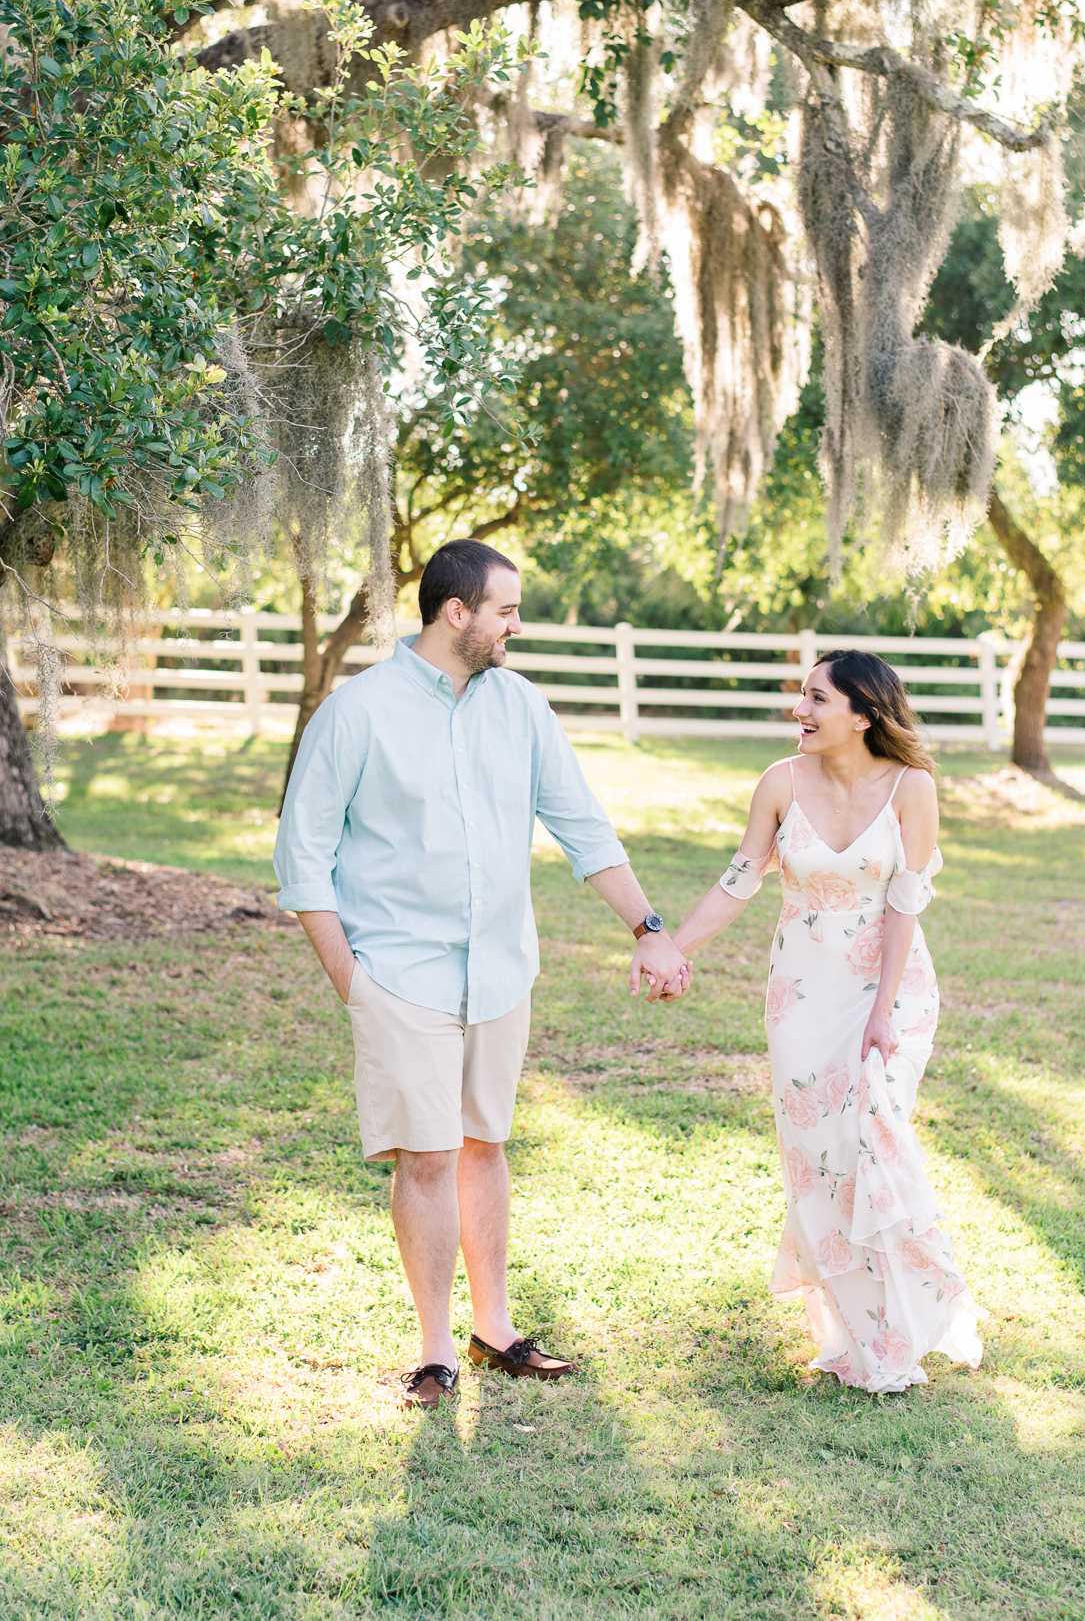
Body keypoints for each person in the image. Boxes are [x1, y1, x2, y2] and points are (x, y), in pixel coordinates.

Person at [274, 539, 690, 1409]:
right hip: (399, 974)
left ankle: (494, 1329)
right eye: (507, 610)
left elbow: (584, 826)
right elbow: (302, 856)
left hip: (501, 971)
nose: (516, 626)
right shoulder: (357, 714)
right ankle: (433, 1352)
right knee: (424, 1158)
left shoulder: (522, 709)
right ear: (455, 613)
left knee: (484, 1145)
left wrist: (648, 926)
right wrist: (352, 978)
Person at [666, 649, 986, 1394]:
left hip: (890, 988)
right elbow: (741, 879)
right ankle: (856, 1335)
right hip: (802, 996)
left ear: (863, 712)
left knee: (872, 1140)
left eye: (815, 698)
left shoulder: (913, 787)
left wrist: (882, 1015)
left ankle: (905, 1321)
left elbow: (906, 901)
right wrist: (671, 949)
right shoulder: (781, 783)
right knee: (820, 1158)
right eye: (801, 697)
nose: (799, 712)